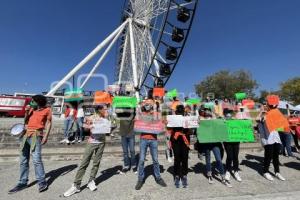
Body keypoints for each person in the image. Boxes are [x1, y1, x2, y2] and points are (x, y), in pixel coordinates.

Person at [8, 95, 52, 194]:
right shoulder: (31, 109)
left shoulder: (47, 110)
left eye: (33, 101)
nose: (31, 102)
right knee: (23, 160)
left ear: (39, 101)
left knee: (36, 160)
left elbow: (49, 123)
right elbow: (25, 121)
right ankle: (22, 182)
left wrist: (45, 136)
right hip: (25, 135)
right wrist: (27, 112)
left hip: (36, 136)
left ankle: (42, 182)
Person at [63, 105, 108, 197]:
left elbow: (109, 129)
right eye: (104, 109)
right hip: (92, 142)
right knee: (84, 163)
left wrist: (108, 124)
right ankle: (76, 185)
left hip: (102, 142)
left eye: (106, 109)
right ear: (99, 110)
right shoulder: (91, 117)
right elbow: (84, 127)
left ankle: (91, 181)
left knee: (96, 163)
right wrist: (91, 125)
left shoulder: (106, 118)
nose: (106, 110)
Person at [135, 93, 167, 190]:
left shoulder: (157, 115)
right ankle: (140, 179)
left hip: (153, 140)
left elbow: (162, 121)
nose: (148, 105)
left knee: (156, 160)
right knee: (141, 160)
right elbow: (136, 114)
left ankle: (158, 177)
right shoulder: (141, 114)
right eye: (146, 104)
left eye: (150, 103)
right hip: (143, 139)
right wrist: (140, 104)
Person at [198, 107, 232, 187]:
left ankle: (223, 177)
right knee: (208, 159)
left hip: (215, 143)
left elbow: (222, 124)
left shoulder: (216, 120)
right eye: (206, 112)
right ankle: (209, 175)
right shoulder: (202, 121)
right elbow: (198, 126)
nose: (207, 113)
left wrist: (217, 118)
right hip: (206, 142)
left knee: (219, 159)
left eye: (208, 112)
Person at [257, 100, 288, 181]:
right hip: (268, 140)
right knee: (268, 156)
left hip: (276, 139)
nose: (266, 107)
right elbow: (257, 120)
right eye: (265, 105)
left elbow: (284, 120)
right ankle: (265, 172)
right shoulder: (263, 116)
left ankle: (277, 172)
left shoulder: (274, 115)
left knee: (276, 157)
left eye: (267, 105)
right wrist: (261, 111)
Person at [223, 106, 251, 183]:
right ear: (225, 114)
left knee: (235, 157)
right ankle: (228, 171)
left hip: (236, 141)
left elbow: (244, 124)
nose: (229, 114)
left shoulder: (235, 120)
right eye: (228, 113)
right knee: (229, 156)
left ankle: (236, 171)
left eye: (230, 113)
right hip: (227, 142)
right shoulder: (222, 121)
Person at [170, 105, 190, 188]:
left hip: (185, 138)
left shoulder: (187, 118)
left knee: (185, 157)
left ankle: (184, 174)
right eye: (178, 112)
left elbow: (191, 129)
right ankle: (177, 175)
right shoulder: (172, 118)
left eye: (181, 112)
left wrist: (195, 122)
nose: (180, 113)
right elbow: (168, 127)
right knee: (177, 157)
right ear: (176, 112)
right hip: (176, 139)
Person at [119, 108, 137, 174]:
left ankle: (134, 165)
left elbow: (134, 111)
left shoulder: (132, 113)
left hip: (131, 134)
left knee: (132, 151)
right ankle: (126, 166)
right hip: (123, 134)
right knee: (125, 152)